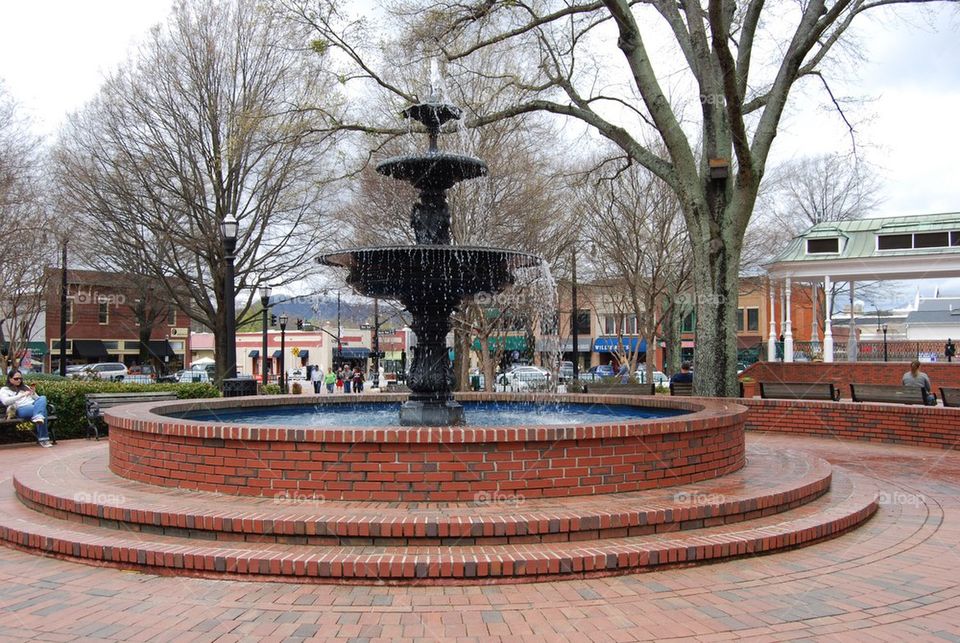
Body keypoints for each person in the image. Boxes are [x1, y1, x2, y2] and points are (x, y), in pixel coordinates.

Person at [1, 369, 53, 447]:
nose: (19, 380)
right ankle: (43, 439)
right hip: (21, 408)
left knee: (42, 397)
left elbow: (37, 399)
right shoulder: (5, 390)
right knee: (43, 411)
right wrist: (21, 395)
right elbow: (5, 401)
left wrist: (33, 393)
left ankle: (38, 417)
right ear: (10, 379)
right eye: (16, 379)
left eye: (20, 378)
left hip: (34, 405)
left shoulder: (25, 387)